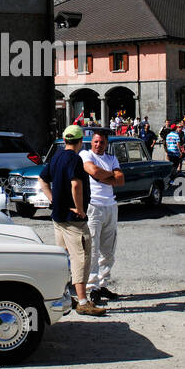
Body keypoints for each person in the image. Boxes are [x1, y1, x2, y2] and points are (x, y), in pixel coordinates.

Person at [38, 125, 105, 316]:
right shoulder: (75, 159)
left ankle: (62, 294)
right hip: (73, 219)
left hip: (58, 217)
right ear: (80, 141)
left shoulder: (57, 156)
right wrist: (80, 209)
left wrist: (53, 199)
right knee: (81, 257)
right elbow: (76, 184)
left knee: (63, 257)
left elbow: (43, 180)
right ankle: (83, 301)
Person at [80, 130, 124, 304]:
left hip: (111, 206)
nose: (99, 145)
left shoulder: (112, 158)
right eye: (96, 142)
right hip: (94, 206)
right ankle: (92, 287)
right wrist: (109, 175)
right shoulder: (85, 154)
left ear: (107, 144)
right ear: (91, 142)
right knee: (92, 248)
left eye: (102, 142)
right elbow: (93, 171)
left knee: (108, 249)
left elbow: (120, 180)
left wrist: (102, 175)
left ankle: (103, 282)